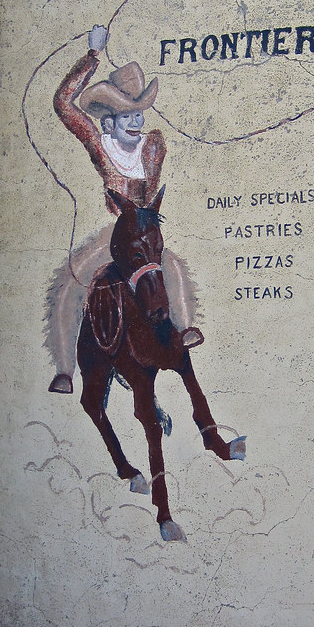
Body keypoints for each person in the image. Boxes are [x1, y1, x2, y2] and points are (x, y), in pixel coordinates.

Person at [47, 26, 196, 394]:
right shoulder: (99, 145)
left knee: (171, 265)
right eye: (127, 115)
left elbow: (147, 201)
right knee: (71, 283)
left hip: (141, 231)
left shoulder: (152, 147)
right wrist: (92, 56)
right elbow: (63, 104)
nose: (136, 122)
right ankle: (65, 369)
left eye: (139, 114)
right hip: (115, 233)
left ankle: (185, 326)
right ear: (108, 121)